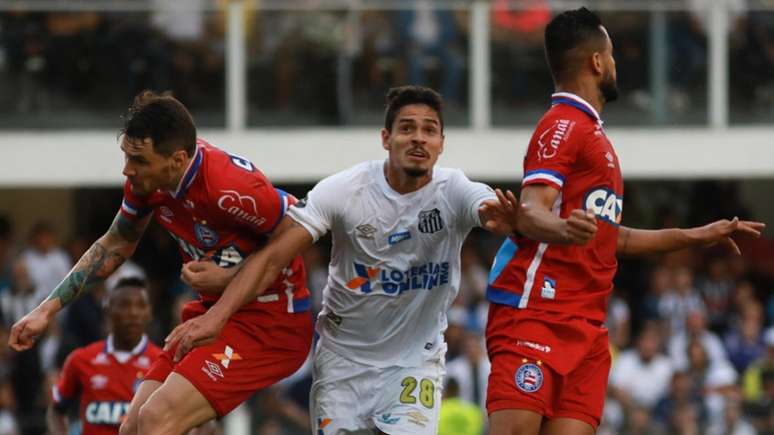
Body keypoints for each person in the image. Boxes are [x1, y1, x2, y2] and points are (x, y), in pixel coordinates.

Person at [165, 85, 515, 434]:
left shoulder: (453, 190)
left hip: (414, 364)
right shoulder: (346, 190)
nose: (418, 139)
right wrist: (216, 316)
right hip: (343, 362)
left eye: (429, 130)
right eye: (407, 128)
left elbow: (486, 206)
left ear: (441, 143)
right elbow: (274, 257)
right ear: (386, 138)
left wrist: (507, 219)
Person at [483, 8, 765, 435]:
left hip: (588, 328)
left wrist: (700, 235)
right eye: (611, 55)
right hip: (538, 312)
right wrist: (562, 229)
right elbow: (532, 209)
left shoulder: (599, 140)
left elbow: (619, 239)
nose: (615, 63)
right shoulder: (561, 124)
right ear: (597, 62)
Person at [9, 91, 313, 435]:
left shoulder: (229, 187)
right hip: (217, 313)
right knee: (133, 427)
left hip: (271, 325)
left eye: (138, 160)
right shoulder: (148, 183)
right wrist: (46, 310)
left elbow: (298, 231)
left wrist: (227, 283)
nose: (127, 169)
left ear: (178, 159)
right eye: (126, 155)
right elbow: (117, 242)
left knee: (157, 421)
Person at [47, 277, 161, 435]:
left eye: (141, 305)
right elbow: (56, 410)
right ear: (108, 310)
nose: (134, 313)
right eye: (125, 305)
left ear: (149, 313)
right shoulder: (81, 359)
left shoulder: (163, 363)